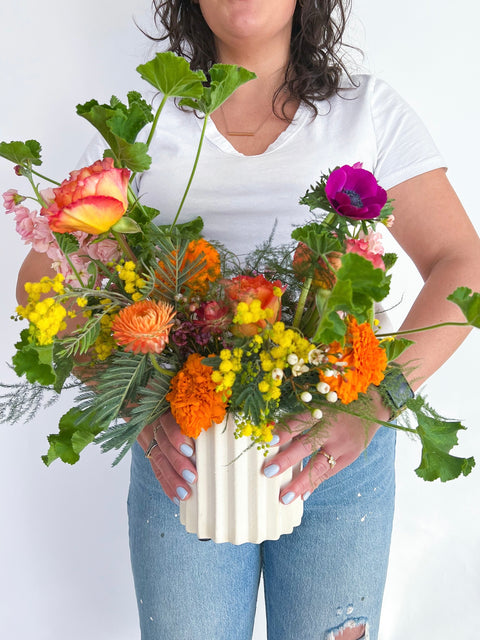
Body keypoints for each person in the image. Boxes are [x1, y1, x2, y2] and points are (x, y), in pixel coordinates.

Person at [16, 1, 480, 639]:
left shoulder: (367, 109)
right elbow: (43, 279)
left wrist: (374, 402)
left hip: (336, 450)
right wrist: (127, 398)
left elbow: (462, 261)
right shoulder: (147, 121)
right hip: (185, 452)